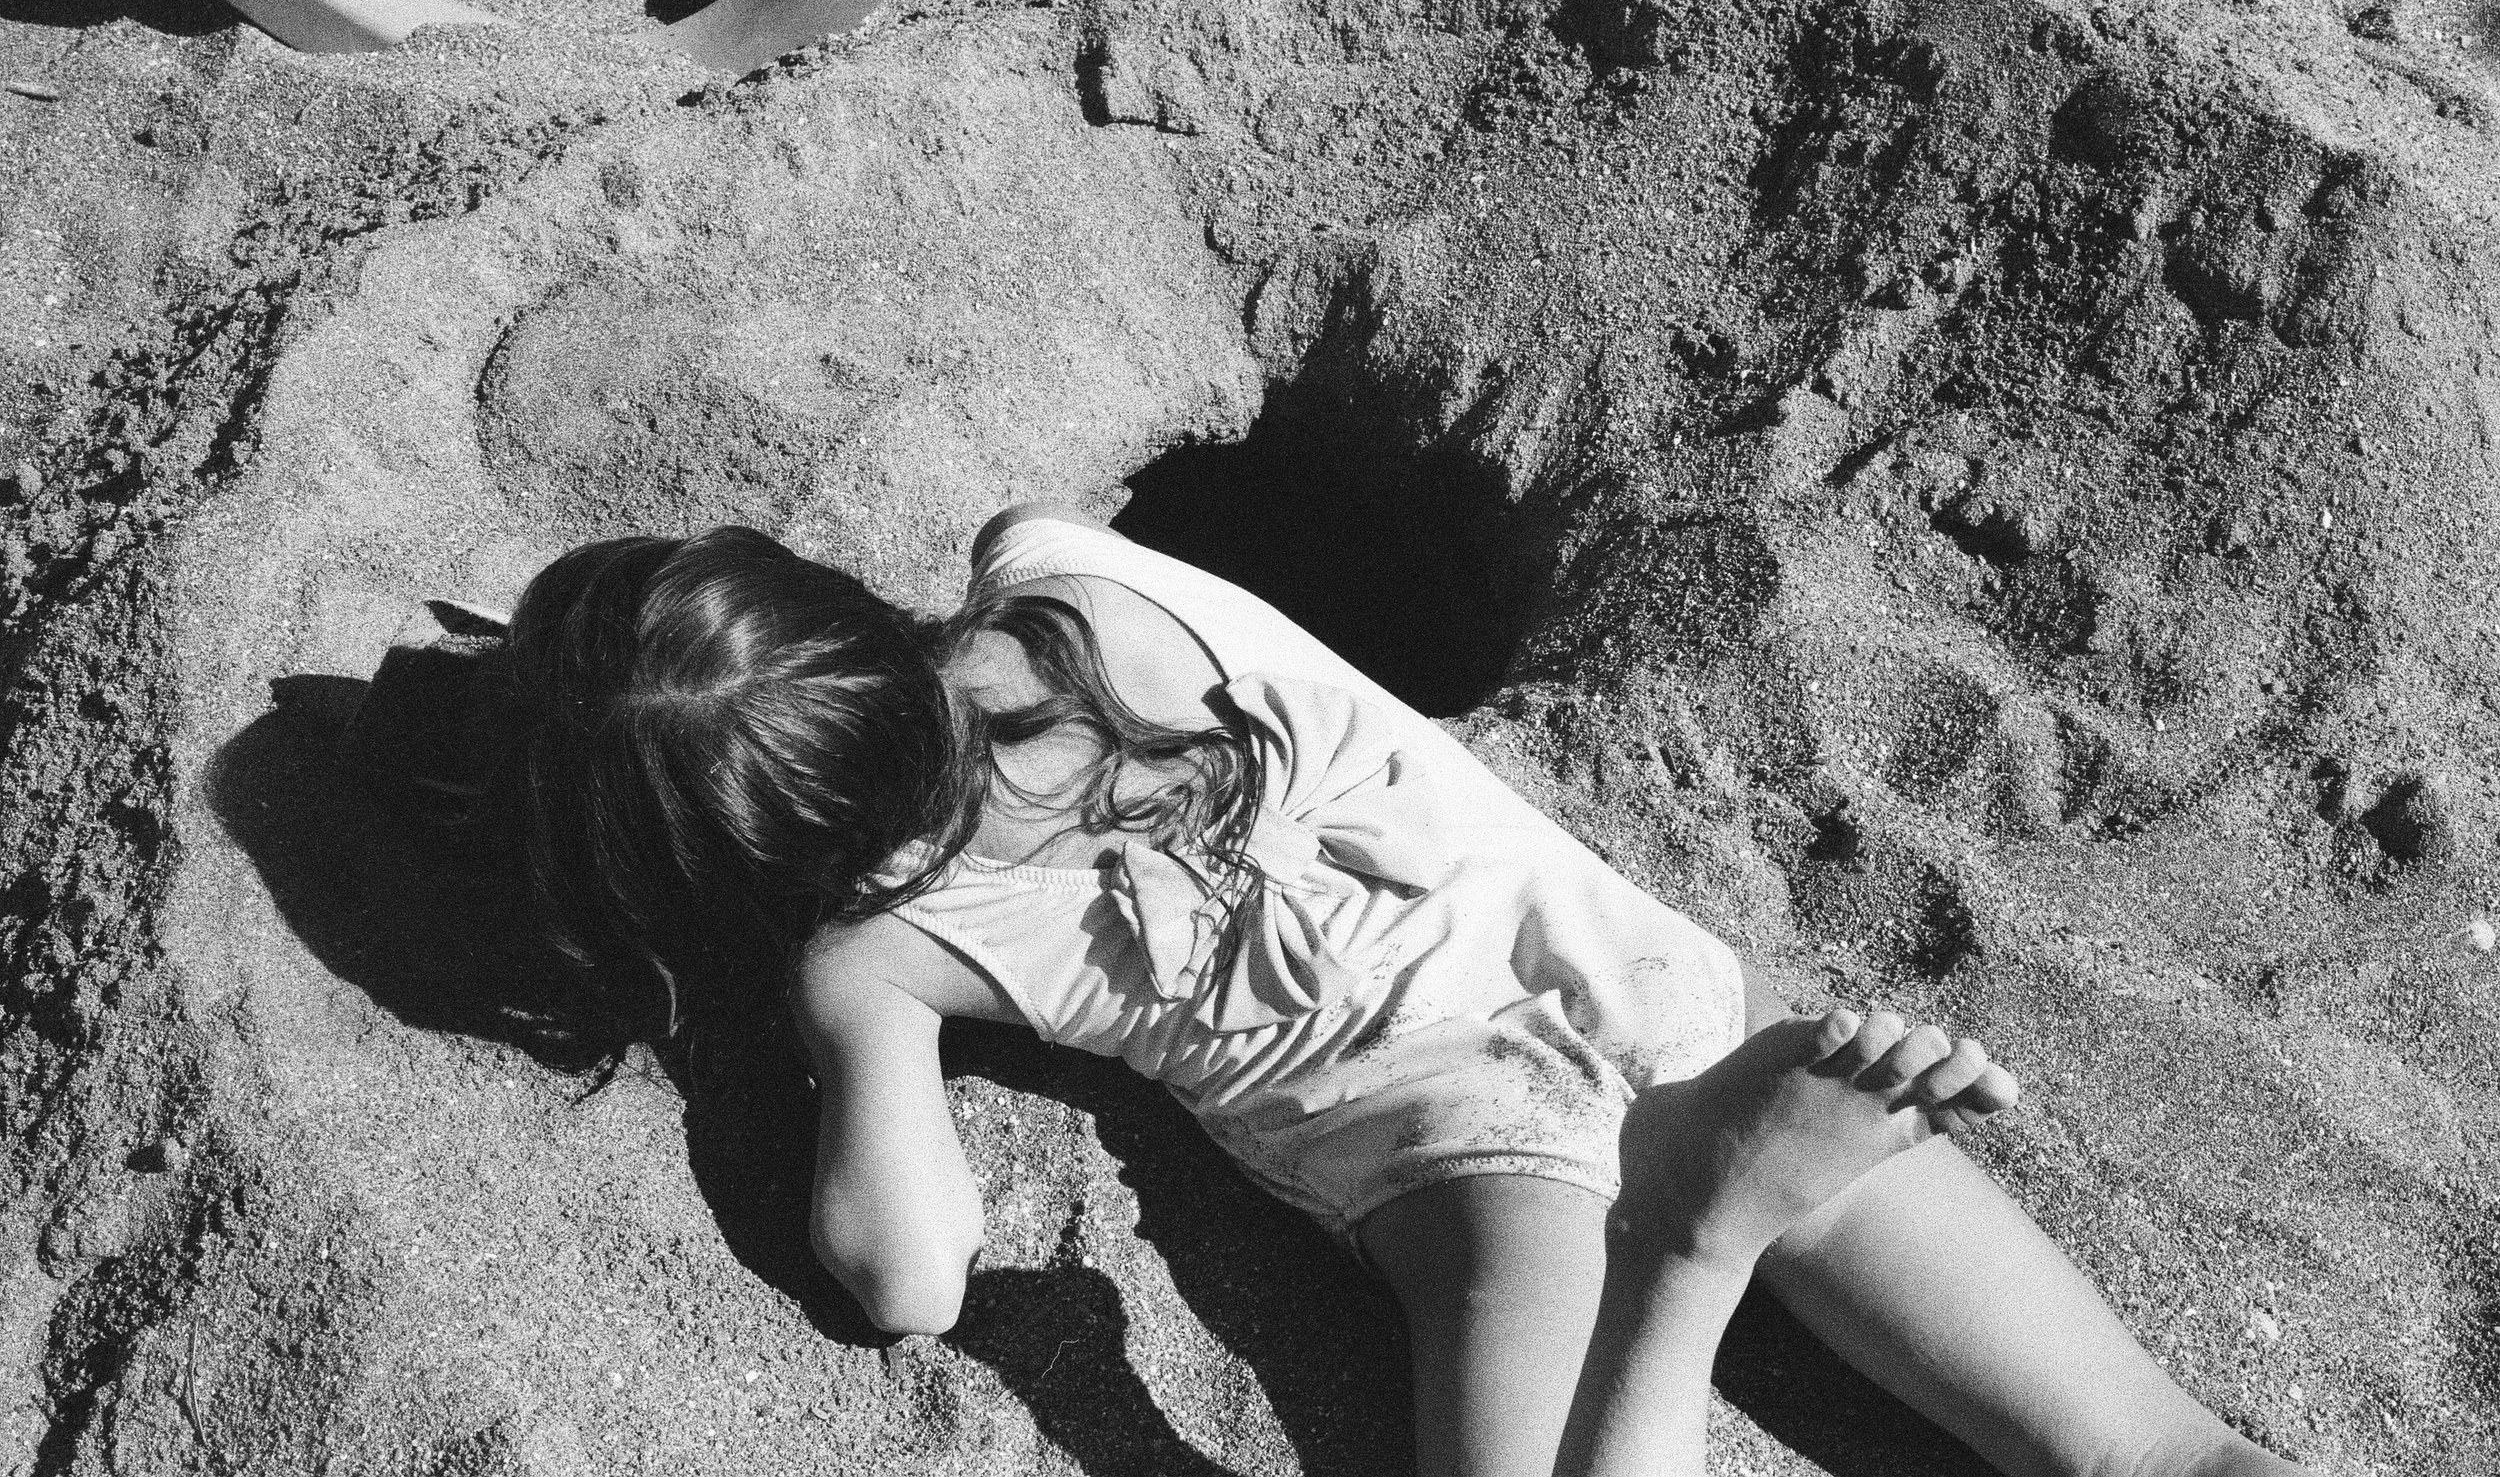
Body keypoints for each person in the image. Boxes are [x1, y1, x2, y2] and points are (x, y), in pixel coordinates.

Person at [494, 505, 2305, 1476]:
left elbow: (906, 1281)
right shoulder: (1062, 573)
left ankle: (1694, 1239)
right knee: (2151, 1443)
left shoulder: (874, 946)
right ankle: (1719, 1193)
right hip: (1677, 1003)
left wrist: (832, 1022)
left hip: (1471, 1158)